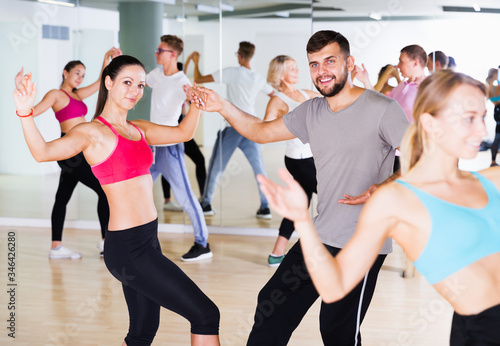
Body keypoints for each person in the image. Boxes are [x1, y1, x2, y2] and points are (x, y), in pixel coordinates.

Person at [189, 30, 410, 345]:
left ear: (349, 62)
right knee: (272, 303)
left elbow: (424, 158)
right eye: (314, 64)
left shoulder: (382, 109)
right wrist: (222, 105)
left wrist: (384, 187)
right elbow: (261, 131)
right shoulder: (312, 111)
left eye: (330, 61)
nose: (322, 71)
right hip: (320, 235)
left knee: (337, 330)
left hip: (363, 243)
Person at [257, 70, 500, 345]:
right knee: (326, 325)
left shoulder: (494, 180)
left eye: (483, 117)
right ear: (430, 124)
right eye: (469, 118)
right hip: (483, 333)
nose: (482, 131)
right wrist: (301, 219)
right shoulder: (395, 202)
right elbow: (335, 286)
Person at [14, 55, 220, 346]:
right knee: (206, 315)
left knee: (142, 332)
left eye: (140, 85)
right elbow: (43, 152)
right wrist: (25, 113)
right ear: (108, 82)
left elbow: (183, 132)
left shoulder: (139, 129)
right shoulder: (92, 133)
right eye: (127, 82)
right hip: (127, 248)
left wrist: (197, 104)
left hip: (149, 239)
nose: (134, 91)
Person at [14, 47, 120, 259]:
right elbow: (33, 111)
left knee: (62, 198)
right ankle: (105, 242)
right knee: (103, 190)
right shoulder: (56, 95)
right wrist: (20, 90)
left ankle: (56, 247)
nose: (80, 78)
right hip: (70, 152)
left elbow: (101, 82)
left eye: (83, 75)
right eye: (77, 73)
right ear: (65, 72)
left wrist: (105, 59)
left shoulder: (77, 95)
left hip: (79, 150)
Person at [186, 41, 275, 219]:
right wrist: (266, 120)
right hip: (252, 127)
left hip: (234, 127)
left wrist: (196, 61)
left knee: (216, 167)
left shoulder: (231, 72)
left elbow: (199, 79)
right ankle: (265, 207)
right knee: (260, 170)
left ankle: (206, 203)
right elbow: (274, 95)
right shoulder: (257, 78)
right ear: (251, 56)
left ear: (239, 56)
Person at [146, 35, 212, 261]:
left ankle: (203, 244)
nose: (156, 53)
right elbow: (140, 83)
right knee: (140, 191)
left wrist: (194, 96)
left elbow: (192, 96)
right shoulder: (156, 75)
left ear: (172, 54)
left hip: (170, 147)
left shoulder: (181, 80)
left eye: (160, 50)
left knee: (185, 198)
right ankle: (139, 241)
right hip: (151, 147)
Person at [264, 55, 320, 267]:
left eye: (297, 68)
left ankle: (277, 253)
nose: (297, 71)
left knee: (300, 204)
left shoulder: (305, 93)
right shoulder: (278, 99)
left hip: (311, 156)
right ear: (281, 74)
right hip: (299, 159)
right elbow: (265, 130)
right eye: (291, 68)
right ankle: (326, 247)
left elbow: (333, 99)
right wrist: (289, 130)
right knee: (331, 197)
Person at [160, 61, 207, 213]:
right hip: (173, 126)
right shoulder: (172, 86)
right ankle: (167, 200)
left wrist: (192, 60)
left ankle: (203, 198)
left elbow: (188, 97)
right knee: (166, 165)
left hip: (181, 124)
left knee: (199, 160)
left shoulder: (182, 84)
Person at [486, 67, 500, 167]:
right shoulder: (498, 87)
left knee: (497, 136)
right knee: (497, 137)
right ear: (495, 75)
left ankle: (493, 161)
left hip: (496, 112)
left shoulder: (489, 88)